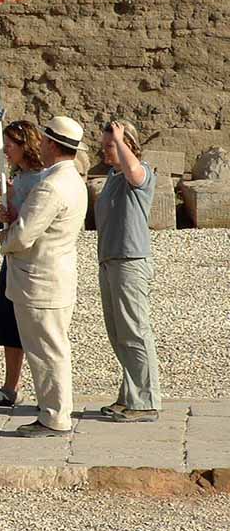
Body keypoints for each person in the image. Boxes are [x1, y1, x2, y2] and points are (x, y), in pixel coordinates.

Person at [0, 115, 88, 437]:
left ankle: (54, 417)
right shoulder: (73, 180)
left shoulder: (51, 186)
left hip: (40, 281)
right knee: (52, 348)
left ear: (51, 143)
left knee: (48, 351)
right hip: (56, 275)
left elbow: (23, 236)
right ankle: (53, 411)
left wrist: (4, 238)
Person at [95, 120, 160, 423]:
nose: (105, 151)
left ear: (128, 146)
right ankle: (129, 395)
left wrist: (120, 141)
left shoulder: (142, 173)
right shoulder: (111, 177)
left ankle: (145, 401)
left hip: (130, 261)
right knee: (119, 333)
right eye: (106, 145)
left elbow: (134, 173)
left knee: (135, 331)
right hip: (110, 260)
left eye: (111, 146)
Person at [0, 120, 44, 407]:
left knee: (37, 325)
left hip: (34, 261)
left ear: (24, 144)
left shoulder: (43, 179)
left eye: (10, 145)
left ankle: (47, 390)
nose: (5, 151)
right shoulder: (18, 176)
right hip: (12, 258)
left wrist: (15, 213)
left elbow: (35, 220)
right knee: (6, 317)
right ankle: (10, 386)